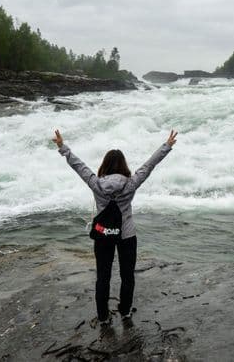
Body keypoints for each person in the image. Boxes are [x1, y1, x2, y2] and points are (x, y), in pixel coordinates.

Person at [52, 129, 177, 326]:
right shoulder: (131, 183)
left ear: (105, 165)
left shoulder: (95, 184)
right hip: (127, 235)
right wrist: (167, 146)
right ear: (123, 165)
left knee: (103, 277)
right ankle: (125, 311)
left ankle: (103, 317)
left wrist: (62, 147)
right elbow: (149, 165)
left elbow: (79, 166)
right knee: (127, 276)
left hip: (103, 234)